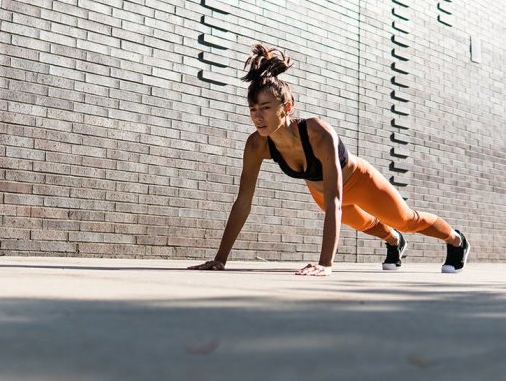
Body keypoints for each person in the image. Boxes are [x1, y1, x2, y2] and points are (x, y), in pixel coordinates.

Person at [188, 44, 470, 276]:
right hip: (321, 192)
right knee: (368, 225)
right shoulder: (256, 145)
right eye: (252, 109)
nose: (258, 116)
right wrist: (220, 258)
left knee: (407, 219)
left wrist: (325, 263)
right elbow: (243, 202)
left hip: (358, 181)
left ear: (287, 107)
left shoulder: (317, 132)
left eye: (265, 107)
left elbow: (336, 198)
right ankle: (394, 242)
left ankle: (456, 240)